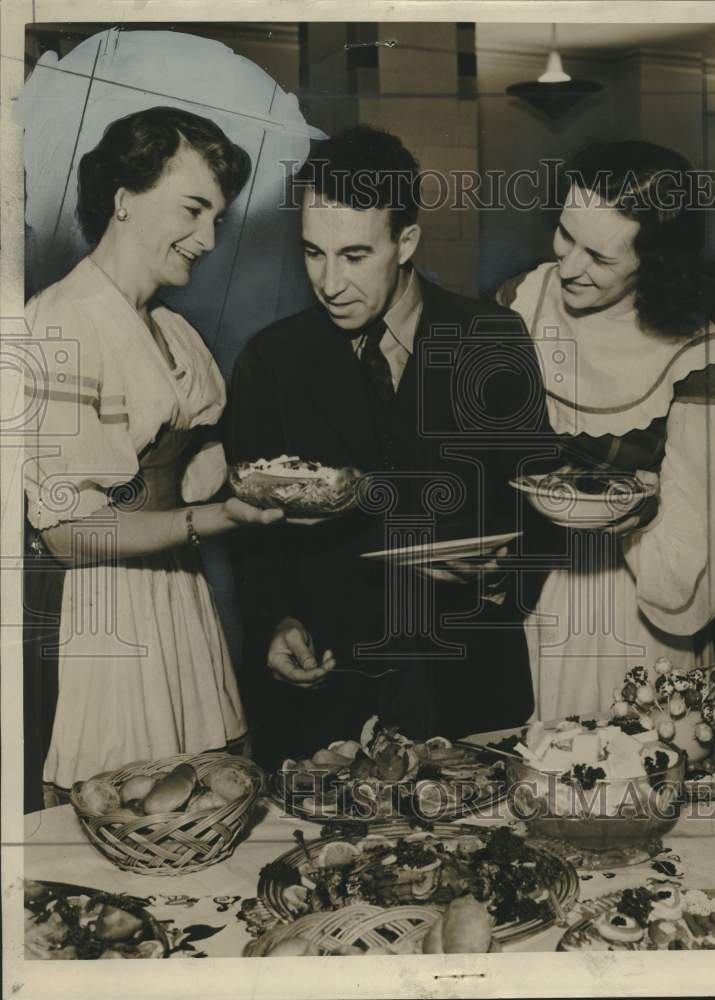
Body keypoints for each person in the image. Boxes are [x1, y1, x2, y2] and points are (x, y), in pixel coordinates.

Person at [228, 125, 555, 767]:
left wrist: (498, 575)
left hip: (471, 683)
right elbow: (252, 528)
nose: (329, 282)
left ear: (406, 242)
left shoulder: (491, 337)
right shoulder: (270, 360)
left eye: (354, 255)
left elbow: (540, 496)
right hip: (328, 696)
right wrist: (276, 621)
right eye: (312, 253)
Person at [23, 107, 284, 812]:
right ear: (124, 198)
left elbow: (192, 465)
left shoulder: (171, 330)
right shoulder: (61, 322)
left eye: (218, 220)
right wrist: (211, 516)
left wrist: (271, 474)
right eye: (194, 210)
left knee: (200, 813)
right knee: (130, 815)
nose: (207, 239)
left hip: (175, 597)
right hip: (100, 616)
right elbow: (69, 533)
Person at [496, 140, 715, 721]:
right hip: (532, 595)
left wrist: (640, 514)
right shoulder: (521, 301)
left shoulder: (698, 361)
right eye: (564, 235)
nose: (570, 266)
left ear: (653, 263)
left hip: (635, 620)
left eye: (600, 258)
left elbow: (697, 552)